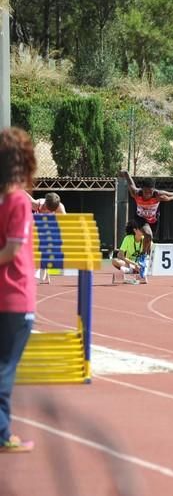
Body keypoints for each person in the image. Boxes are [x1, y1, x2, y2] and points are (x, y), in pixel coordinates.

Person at [0, 127, 37, 453]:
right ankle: (2, 433)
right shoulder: (16, 201)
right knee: (5, 368)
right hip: (14, 295)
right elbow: (12, 249)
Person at [119, 171, 173, 278]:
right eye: (145, 192)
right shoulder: (136, 193)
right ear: (142, 190)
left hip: (153, 221)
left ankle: (143, 263)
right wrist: (125, 173)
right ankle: (143, 257)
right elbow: (129, 180)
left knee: (149, 238)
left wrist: (170, 198)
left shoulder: (158, 194)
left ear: (153, 190)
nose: (147, 195)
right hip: (140, 218)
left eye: (150, 192)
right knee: (148, 234)